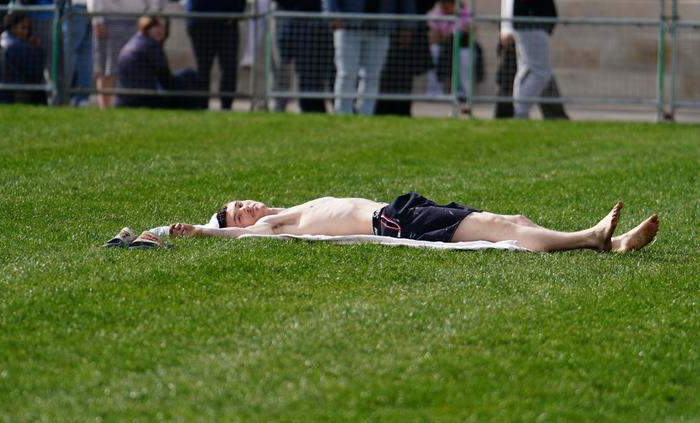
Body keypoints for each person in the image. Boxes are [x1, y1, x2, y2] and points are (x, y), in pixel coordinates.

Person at [166, 193, 660, 254]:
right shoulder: (269, 229)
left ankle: (608, 243)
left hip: (400, 211)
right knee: (496, 226)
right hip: (394, 224)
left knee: (510, 219)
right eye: (236, 212)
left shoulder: (291, 209)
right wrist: (204, 230)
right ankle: (593, 239)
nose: (245, 207)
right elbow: (234, 234)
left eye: (239, 203)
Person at [115, 15, 198, 108]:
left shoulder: (134, 41)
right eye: (157, 26)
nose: (161, 31)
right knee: (188, 74)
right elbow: (166, 80)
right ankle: (200, 108)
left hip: (124, 101)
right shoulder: (151, 45)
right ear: (146, 26)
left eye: (164, 28)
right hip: (144, 100)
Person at [0, 12, 49, 104]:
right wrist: (38, 48)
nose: (26, 32)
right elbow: (37, 71)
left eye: (28, 28)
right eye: (23, 27)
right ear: (13, 26)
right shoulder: (18, 46)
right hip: (11, 96)